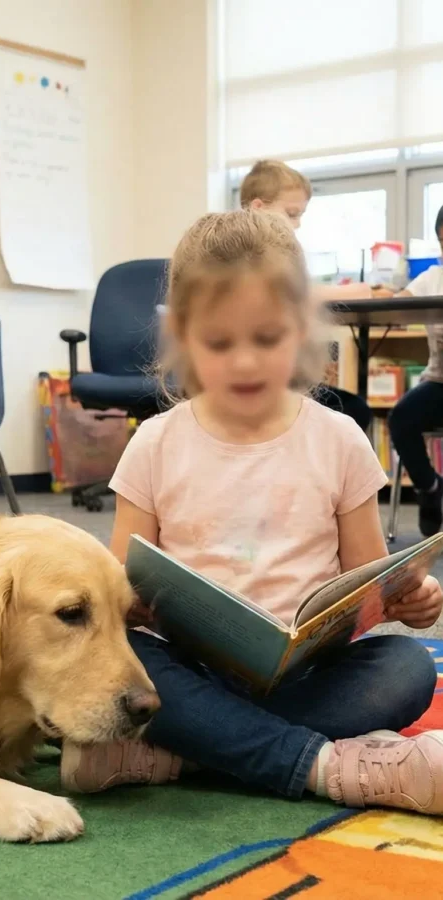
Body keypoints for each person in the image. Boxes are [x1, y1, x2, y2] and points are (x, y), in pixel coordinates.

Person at [60, 210, 443, 816]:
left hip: (310, 672)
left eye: (267, 338)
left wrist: (413, 599)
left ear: (300, 332)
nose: (244, 362)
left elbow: (370, 582)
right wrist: (128, 599)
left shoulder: (340, 438)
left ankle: (184, 752)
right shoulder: (155, 443)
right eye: (219, 342)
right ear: (183, 338)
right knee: (130, 662)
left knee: (407, 668)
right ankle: (331, 766)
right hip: (190, 668)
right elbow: (118, 586)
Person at [241, 159, 373, 431]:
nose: (298, 224)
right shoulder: (251, 254)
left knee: (354, 409)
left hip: (281, 379)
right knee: (354, 412)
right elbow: (296, 293)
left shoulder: (276, 255)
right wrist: (359, 289)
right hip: (265, 382)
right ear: (258, 209)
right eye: (291, 214)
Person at [388, 205, 443, 537]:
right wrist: (390, 295)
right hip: (439, 381)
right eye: (442, 241)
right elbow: (400, 304)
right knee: (401, 418)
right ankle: (430, 487)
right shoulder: (432, 277)